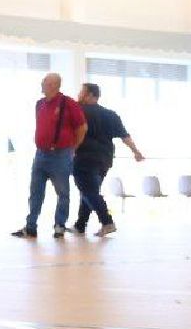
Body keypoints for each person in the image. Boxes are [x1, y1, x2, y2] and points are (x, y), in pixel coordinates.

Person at [12, 72, 87, 239]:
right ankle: (31, 226)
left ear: (54, 85)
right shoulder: (39, 104)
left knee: (62, 192)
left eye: (44, 82)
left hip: (60, 155)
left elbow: (82, 128)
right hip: (40, 155)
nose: (41, 84)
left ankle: (59, 225)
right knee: (35, 191)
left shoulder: (68, 104)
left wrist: (73, 147)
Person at [72, 82, 145, 237]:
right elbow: (125, 136)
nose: (79, 95)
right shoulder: (110, 114)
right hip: (104, 160)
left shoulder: (78, 111)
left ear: (92, 95)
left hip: (84, 157)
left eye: (82, 93)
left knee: (88, 191)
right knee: (90, 190)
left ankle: (107, 222)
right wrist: (136, 152)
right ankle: (80, 225)